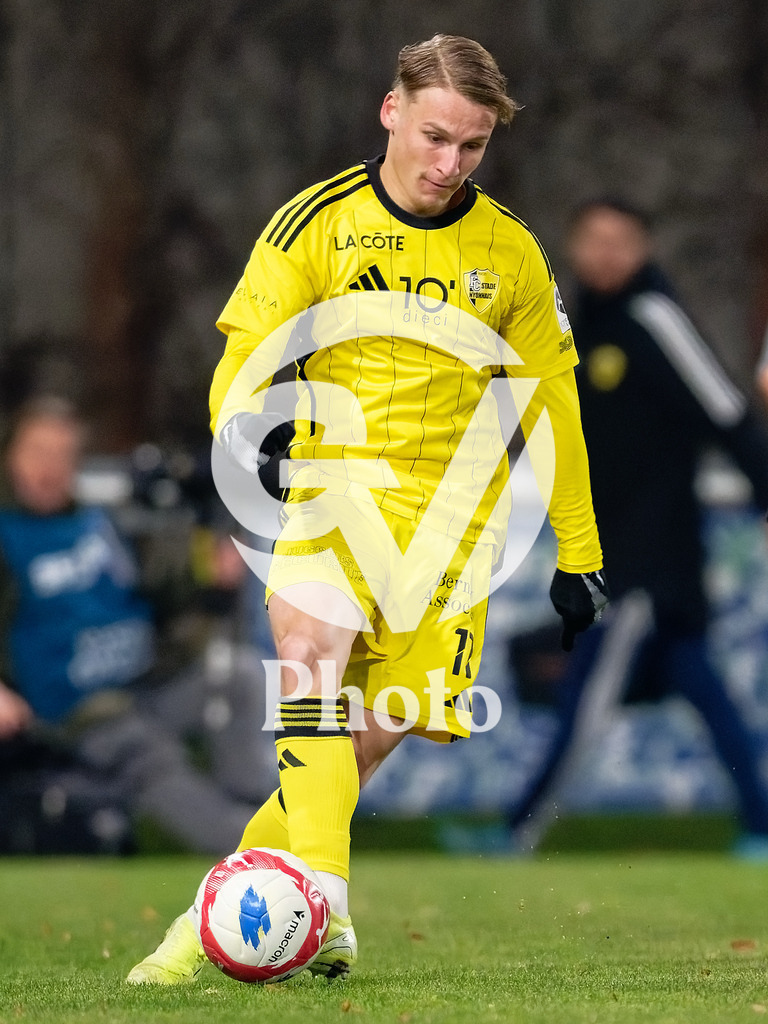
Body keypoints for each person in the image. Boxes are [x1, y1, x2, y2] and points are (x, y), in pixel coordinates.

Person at [127, 34, 606, 985]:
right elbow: (246, 345)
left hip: (455, 533)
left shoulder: (510, 253)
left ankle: (207, 922)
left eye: (472, 147)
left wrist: (578, 548)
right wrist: (245, 427)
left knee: (356, 748)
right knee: (306, 667)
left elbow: (556, 400)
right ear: (392, 111)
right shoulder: (317, 223)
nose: (449, 164)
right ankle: (331, 912)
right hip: (335, 491)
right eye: (435, 137)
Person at [507, 198, 768, 854]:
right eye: (593, 239)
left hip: (647, 561)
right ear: (573, 246)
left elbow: (727, 412)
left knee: (588, 690)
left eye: (620, 240)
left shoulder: (655, 318)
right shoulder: (577, 330)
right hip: (611, 550)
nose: (606, 253)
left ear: (643, 249)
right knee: (701, 686)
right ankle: (762, 824)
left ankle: (518, 829)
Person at [0, 396, 271, 855]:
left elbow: (160, 590)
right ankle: (253, 855)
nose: (50, 468)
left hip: (148, 683)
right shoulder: (7, 533)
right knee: (148, 756)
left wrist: (209, 565)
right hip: (74, 713)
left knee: (238, 676)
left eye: (62, 455)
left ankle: (261, 815)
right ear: (10, 456)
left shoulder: (98, 522)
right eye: (38, 453)